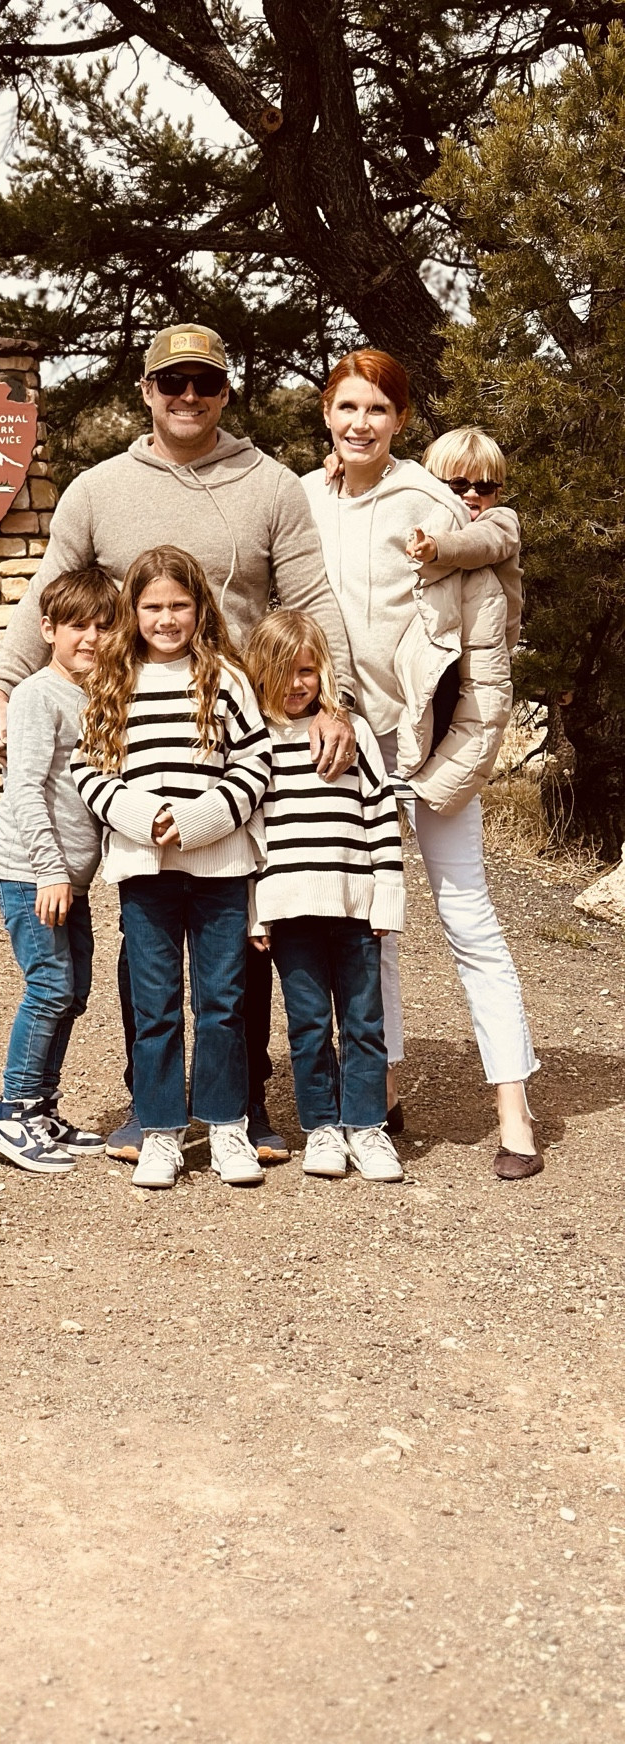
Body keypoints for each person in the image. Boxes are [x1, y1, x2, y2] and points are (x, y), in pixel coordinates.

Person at [0, 320, 358, 1165]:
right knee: (145, 935)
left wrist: (336, 699)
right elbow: (49, 591)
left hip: (241, 722)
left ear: (227, 392)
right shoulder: (98, 488)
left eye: (205, 383)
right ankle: (150, 1107)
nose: (188, 396)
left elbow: (310, 596)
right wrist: (4, 679)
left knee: (240, 930)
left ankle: (245, 1105)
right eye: (171, 382)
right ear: (145, 391)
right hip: (134, 730)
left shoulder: (269, 487)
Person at [303, 350, 543, 1181]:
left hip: (431, 753)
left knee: (469, 920)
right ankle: (382, 1088)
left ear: (401, 420)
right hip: (344, 753)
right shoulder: (304, 501)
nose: (361, 422)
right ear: (327, 414)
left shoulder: (437, 509)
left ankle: (514, 1111)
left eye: (378, 409)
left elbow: (486, 680)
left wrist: (438, 780)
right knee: (375, 928)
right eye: (347, 407)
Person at [70, 547, 272, 1190]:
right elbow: (88, 769)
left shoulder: (225, 680)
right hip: (144, 869)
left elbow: (255, 767)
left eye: (179, 605)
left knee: (223, 1001)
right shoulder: (114, 678)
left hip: (219, 868)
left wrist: (200, 820)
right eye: (152, 606)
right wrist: (141, 817)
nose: (166, 618)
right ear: (133, 611)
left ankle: (225, 1125)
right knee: (154, 1001)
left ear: (199, 609)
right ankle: (160, 1128)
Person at [243, 609, 405, 1182]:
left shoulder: (348, 734)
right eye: (283, 672)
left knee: (364, 1020)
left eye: (307, 671)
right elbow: (253, 838)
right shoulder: (257, 744)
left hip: (354, 903)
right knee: (309, 1024)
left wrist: (386, 895)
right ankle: (322, 1129)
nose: (296, 684)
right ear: (260, 672)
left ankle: (367, 1127)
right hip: (290, 910)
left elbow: (381, 815)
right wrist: (256, 912)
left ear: (323, 672)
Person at [0, 564, 122, 1173]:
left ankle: (40, 1106)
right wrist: (50, 872)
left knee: (74, 990)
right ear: (47, 629)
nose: (90, 638)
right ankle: (9, 1113)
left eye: (102, 626)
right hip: (31, 871)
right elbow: (26, 789)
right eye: (76, 627)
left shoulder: (95, 694)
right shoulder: (37, 695)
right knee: (50, 986)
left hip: (68, 875)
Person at [407, 427, 523, 653]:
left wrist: (436, 547)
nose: (471, 494)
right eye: (458, 485)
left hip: (488, 644)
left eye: (484, 487)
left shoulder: (501, 523)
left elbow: (479, 543)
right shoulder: (429, 522)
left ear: (498, 493)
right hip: (439, 640)